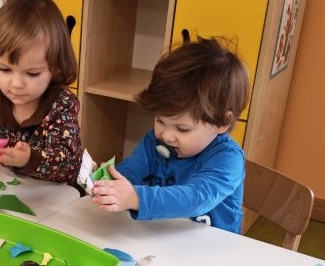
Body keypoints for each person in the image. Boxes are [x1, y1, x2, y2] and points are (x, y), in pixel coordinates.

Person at [91, 36, 250, 234]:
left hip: (214, 249)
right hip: (159, 238)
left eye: (182, 129)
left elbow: (196, 198)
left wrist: (135, 198)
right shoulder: (153, 141)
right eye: (159, 120)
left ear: (222, 122)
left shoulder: (228, 158)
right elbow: (131, 171)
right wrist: (109, 185)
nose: (166, 135)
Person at [0, 0, 83, 185]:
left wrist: (28, 159)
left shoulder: (62, 104)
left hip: (53, 198)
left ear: (56, 67)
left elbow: (69, 164)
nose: (16, 84)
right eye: (4, 69)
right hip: (6, 193)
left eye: (32, 73)